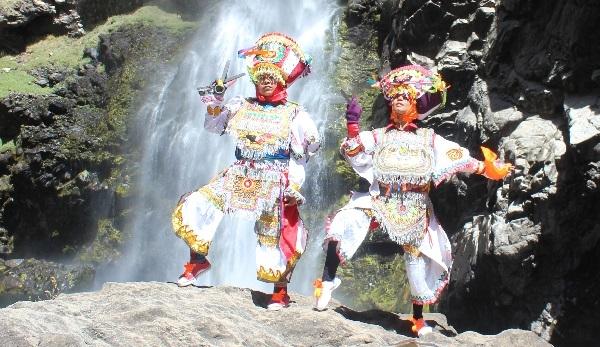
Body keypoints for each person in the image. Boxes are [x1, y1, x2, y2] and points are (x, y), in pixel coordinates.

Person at [312, 65, 511, 335]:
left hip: (414, 203)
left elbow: (459, 157)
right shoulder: (379, 136)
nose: (399, 99)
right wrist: (352, 127)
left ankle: (418, 319)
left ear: (415, 102)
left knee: (416, 256)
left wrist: (487, 168)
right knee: (343, 222)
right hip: (380, 198)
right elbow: (355, 154)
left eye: (405, 96)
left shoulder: (429, 139)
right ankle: (327, 281)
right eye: (394, 97)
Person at [172, 32, 320, 311]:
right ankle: (197, 261)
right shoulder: (241, 105)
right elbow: (213, 127)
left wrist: (294, 187)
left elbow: (302, 154)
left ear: (281, 81)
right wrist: (216, 101)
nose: (265, 82)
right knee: (199, 203)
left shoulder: (295, 114)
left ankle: (280, 291)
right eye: (261, 77)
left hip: (273, 177)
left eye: (271, 78)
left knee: (272, 232)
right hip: (239, 172)